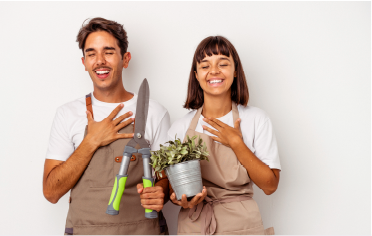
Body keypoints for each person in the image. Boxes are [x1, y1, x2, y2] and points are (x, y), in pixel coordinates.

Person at [42, 17, 170, 235]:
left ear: (125, 59)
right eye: (91, 54)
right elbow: (51, 192)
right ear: (84, 63)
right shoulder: (67, 114)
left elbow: (166, 179)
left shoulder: (154, 112)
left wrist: (161, 192)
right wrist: (91, 141)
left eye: (108, 52)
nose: (99, 60)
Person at [167, 36, 281, 235]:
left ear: (235, 71)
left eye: (223, 63)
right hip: (195, 225)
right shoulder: (180, 127)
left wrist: (237, 143)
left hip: (242, 225)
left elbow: (270, 185)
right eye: (205, 66)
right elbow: (173, 188)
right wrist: (177, 198)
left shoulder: (256, 119)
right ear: (196, 74)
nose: (214, 71)